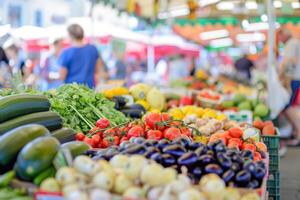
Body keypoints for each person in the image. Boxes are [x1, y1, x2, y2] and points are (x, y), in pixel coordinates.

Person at [58, 24, 102, 88]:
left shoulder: (66, 52)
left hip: (72, 91)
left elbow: (62, 76)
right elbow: (97, 70)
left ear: (70, 35)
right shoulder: (93, 49)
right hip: (89, 89)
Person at [278, 29, 300, 146]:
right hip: (295, 79)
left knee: (288, 106)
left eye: (279, 37)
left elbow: (290, 63)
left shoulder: (291, 44)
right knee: (291, 106)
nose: (279, 40)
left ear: (283, 34)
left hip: (293, 80)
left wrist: (286, 82)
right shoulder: (295, 43)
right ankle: (295, 132)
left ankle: (298, 134)